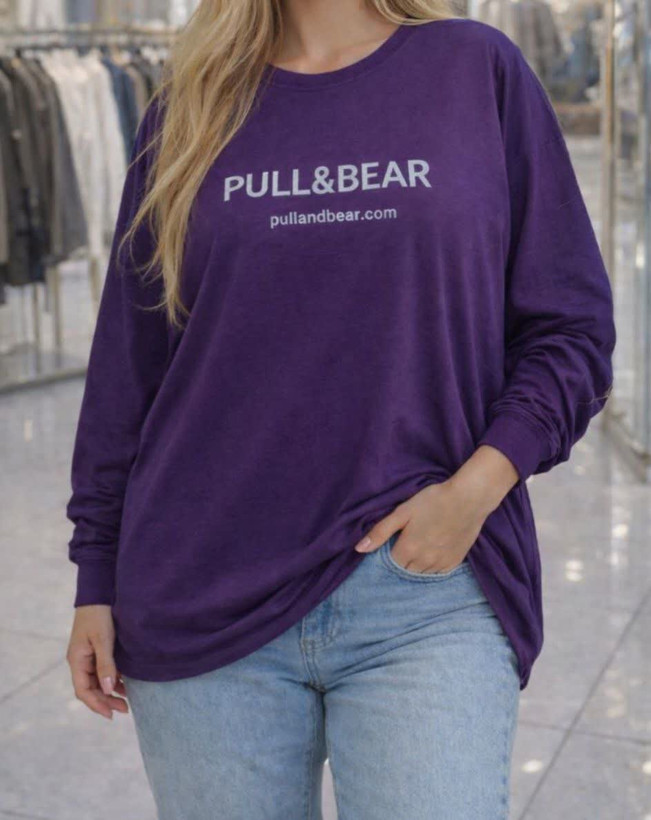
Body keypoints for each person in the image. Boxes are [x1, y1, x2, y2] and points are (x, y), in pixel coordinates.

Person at [64, 1, 616, 818]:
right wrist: (96, 573)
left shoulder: (474, 70)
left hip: (423, 590)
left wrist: (473, 492)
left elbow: (570, 327)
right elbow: (129, 365)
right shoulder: (188, 106)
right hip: (201, 583)